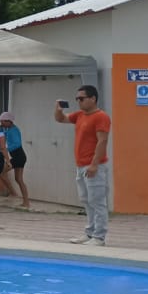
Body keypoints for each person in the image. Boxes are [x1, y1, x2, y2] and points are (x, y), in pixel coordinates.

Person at [55, 85, 111, 246]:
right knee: (86, 201)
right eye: (77, 99)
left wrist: (94, 164)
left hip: (94, 166)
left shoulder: (101, 117)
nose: (79, 101)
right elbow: (60, 119)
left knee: (97, 202)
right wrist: (58, 110)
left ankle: (99, 237)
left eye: (81, 98)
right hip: (81, 166)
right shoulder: (80, 115)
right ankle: (90, 233)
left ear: (93, 98)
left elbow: (102, 141)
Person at [0, 111, 31, 209]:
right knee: (19, 179)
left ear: (9, 121)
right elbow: (2, 135)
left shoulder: (14, 130)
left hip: (18, 157)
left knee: (1, 172)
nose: (2, 124)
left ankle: (13, 193)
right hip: (19, 156)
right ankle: (26, 202)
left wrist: (6, 149)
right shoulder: (9, 129)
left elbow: (17, 144)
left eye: (3, 122)